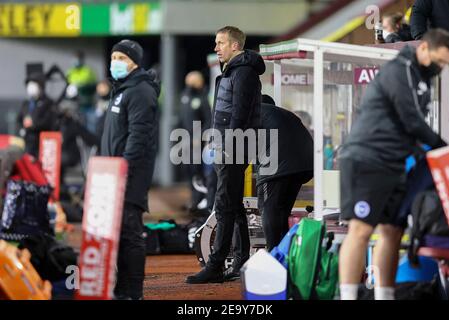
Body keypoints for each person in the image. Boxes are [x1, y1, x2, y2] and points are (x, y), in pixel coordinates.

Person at [338, 29, 449, 300]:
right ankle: (349, 296)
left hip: (395, 164)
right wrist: (443, 147)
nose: (440, 67)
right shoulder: (400, 71)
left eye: (445, 64)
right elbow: (411, 120)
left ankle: (385, 296)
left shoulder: (421, 80)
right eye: (439, 60)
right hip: (368, 160)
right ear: (423, 49)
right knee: (361, 229)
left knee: (392, 232)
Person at [185, 26, 265, 284]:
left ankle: (216, 264)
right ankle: (240, 260)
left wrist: (227, 145)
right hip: (229, 145)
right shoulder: (233, 71)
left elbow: (239, 114)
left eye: (220, 43)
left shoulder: (243, 72)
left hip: (234, 147)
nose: (216, 48)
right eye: (215, 43)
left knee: (224, 205)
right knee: (233, 204)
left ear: (235, 46)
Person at [101, 39, 160, 299]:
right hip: (113, 173)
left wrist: (123, 168)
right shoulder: (123, 89)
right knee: (119, 231)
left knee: (130, 231)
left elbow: (139, 136)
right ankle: (122, 287)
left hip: (129, 174)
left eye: (122, 58)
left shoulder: (141, 91)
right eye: (114, 57)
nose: (116, 63)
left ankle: (133, 291)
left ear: (135, 61)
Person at [257, 95, 313, 252]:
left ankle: (273, 255)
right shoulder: (282, 113)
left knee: (268, 208)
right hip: (305, 164)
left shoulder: (254, 111)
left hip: (280, 164)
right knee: (282, 211)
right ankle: (284, 253)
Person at [179, 71, 212, 213]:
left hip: (197, 143)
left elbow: (209, 120)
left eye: (194, 80)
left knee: (199, 172)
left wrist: (200, 137)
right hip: (184, 140)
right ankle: (194, 199)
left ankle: (201, 200)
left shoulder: (203, 98)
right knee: (189, 172)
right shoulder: (185, 95)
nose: (191, 83)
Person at [17, 72, 58, 158]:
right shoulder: (26, 103)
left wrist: (33, 124)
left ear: (41, 86)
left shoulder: (48, 103)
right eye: (29, 84)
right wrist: (22, 128)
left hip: (42, 143)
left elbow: (50, 122)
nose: (31, 87)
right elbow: (19, 119)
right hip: (27, 142)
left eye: (34, 84)